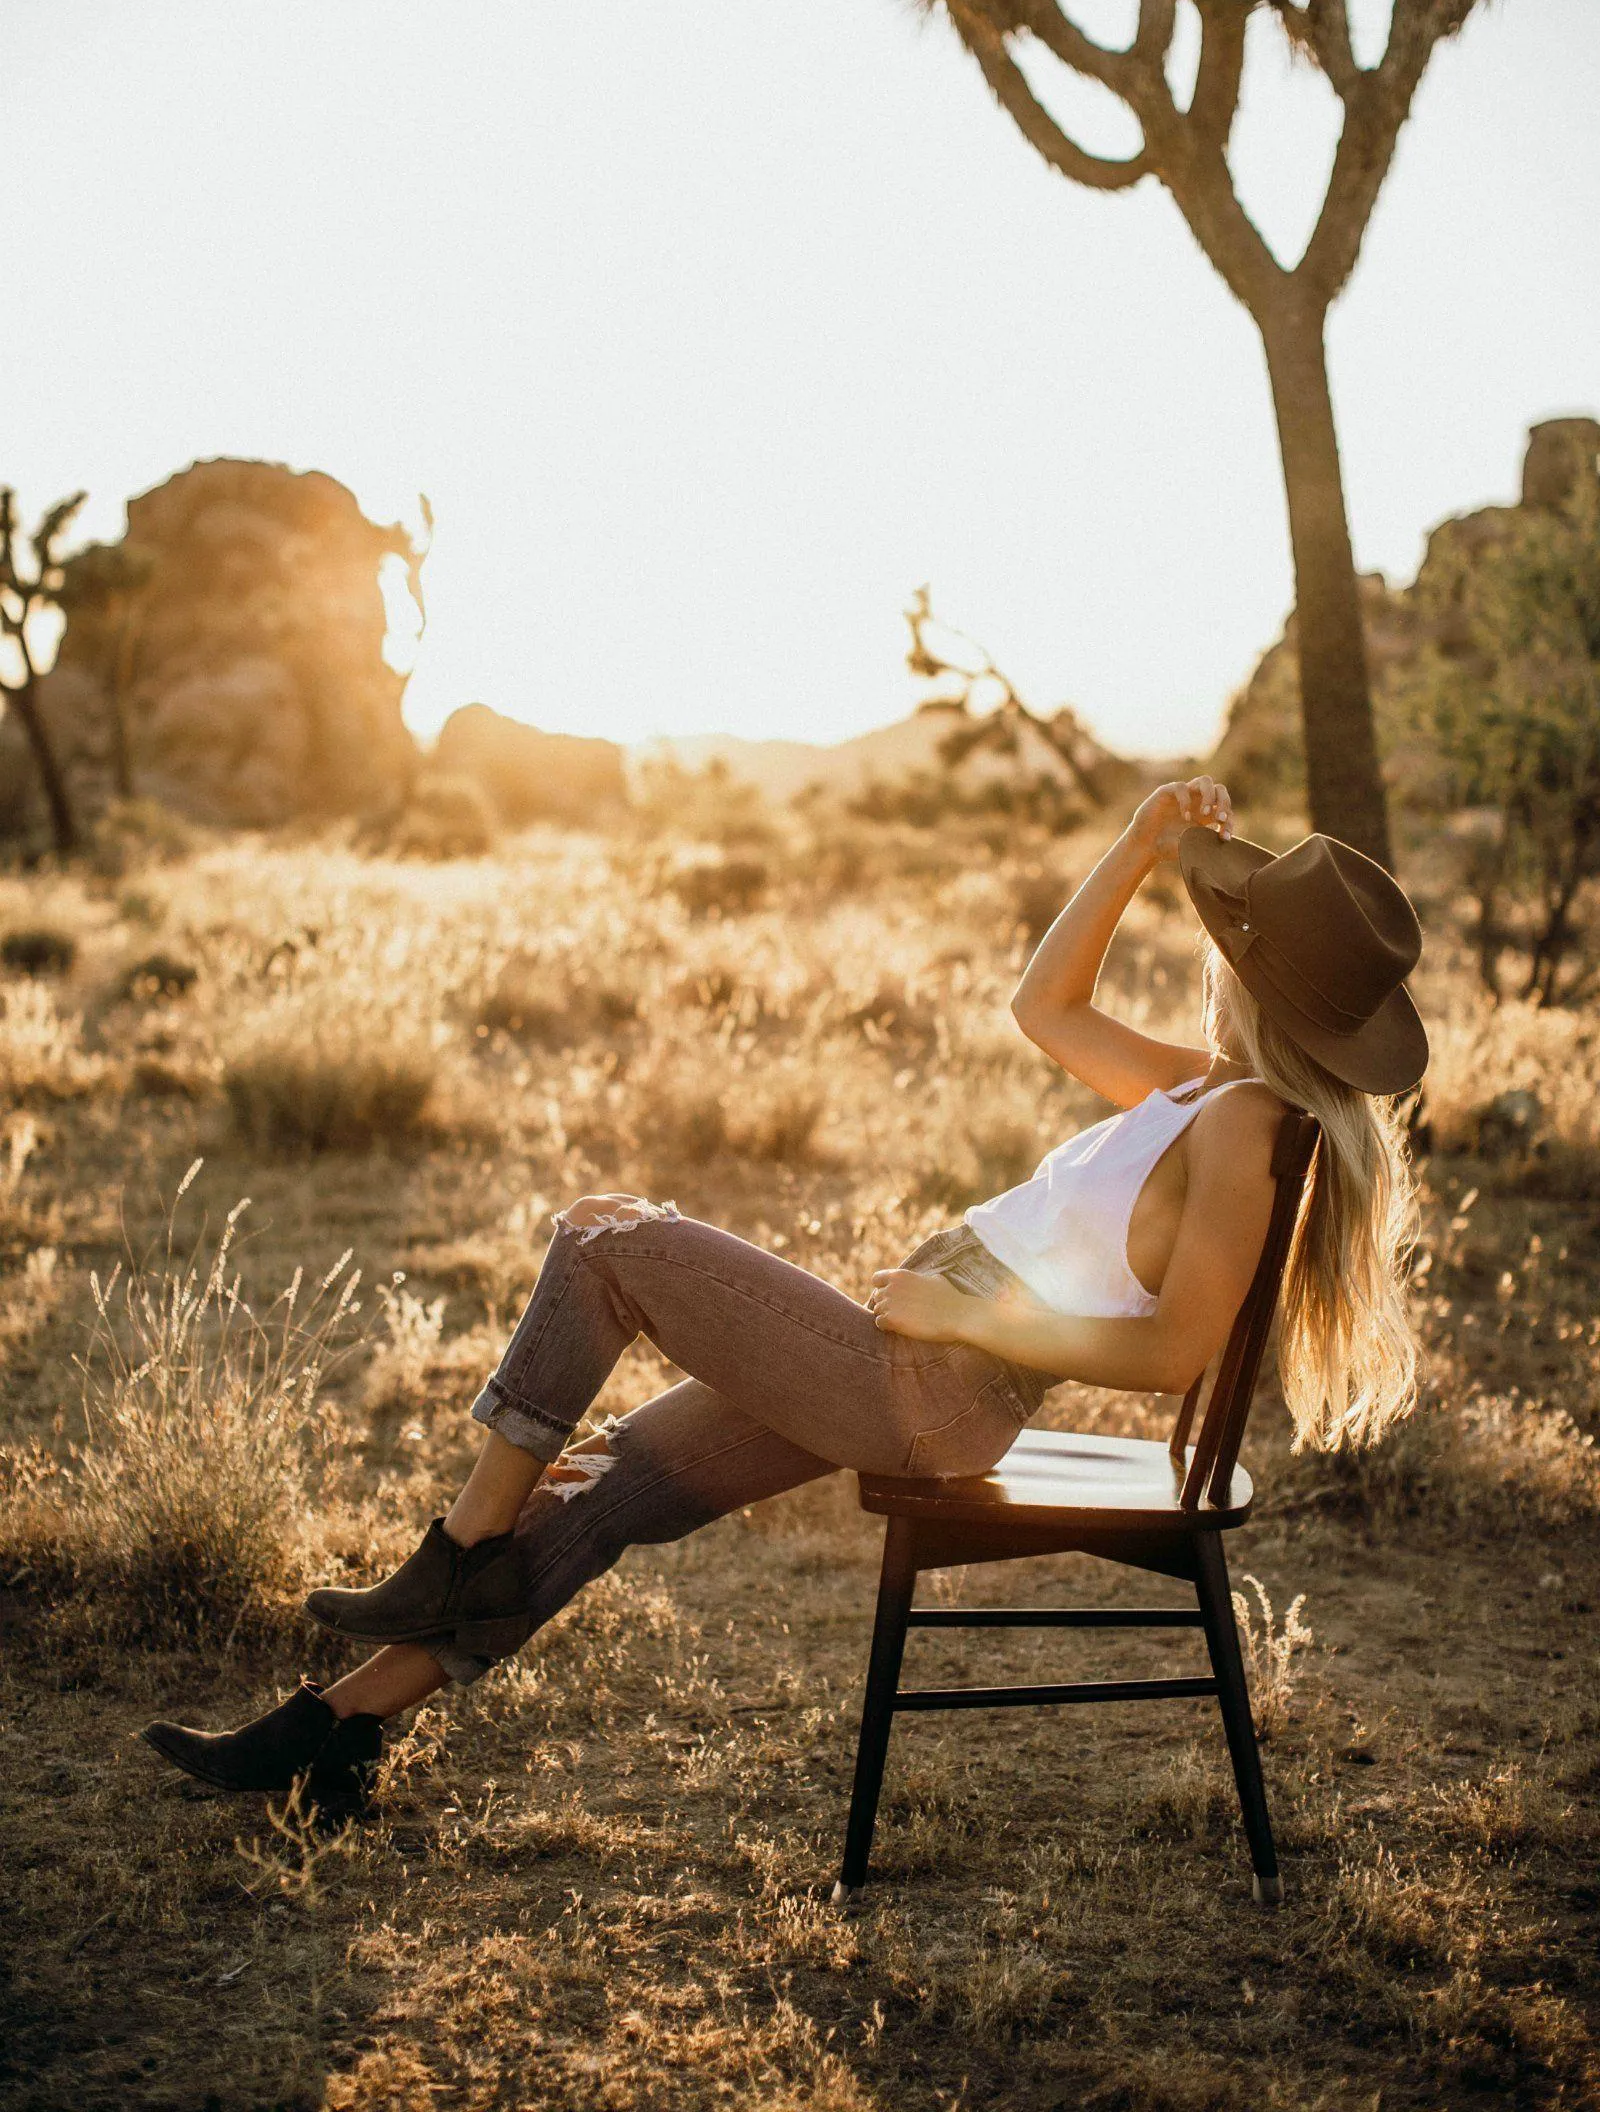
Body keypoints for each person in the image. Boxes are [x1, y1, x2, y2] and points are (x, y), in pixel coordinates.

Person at [141, 776, 1425, 1814]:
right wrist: (1136, 847)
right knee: (603, 1487)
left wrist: (968, 1315)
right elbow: (1043, 1005)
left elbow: (1174, 1351)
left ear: (1245, 972)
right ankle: (335, 1733)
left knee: (604, 1236)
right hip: (906, 1368)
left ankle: (459, 1553)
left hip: (934, 1386)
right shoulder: (1206, 1087)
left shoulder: (1245, 1126)